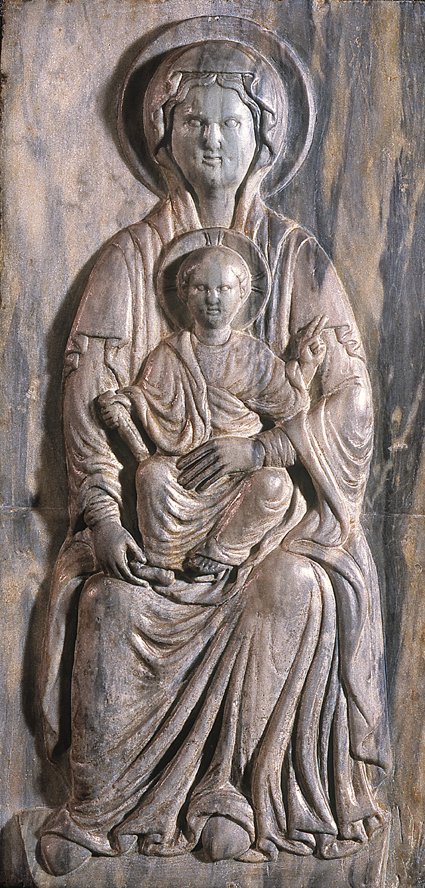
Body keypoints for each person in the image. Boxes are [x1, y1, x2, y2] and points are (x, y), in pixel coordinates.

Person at [39, 33, 391, 876]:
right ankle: (99, 809)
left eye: (229, 122)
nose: (210, 139)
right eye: (192, 122)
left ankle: (234, 792)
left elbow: (349, 401)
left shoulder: (297, 260)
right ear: (161, 137)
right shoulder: (128, 261)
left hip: (271, 524)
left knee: (292, 588)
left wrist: (263, 448)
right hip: (156, 525)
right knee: (111, 606)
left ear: (263, 138)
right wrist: (103, 515)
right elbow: (89, 399)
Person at [99, 242, 326, 578]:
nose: (212, 298)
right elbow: (149, 402)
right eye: (201, 288)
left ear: (242, 294)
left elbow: (292, 411)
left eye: (224, 288)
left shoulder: (253, 356)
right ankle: (161, 561)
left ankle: (222, 549)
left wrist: (304, 369)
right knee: (151, 474)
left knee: (275, 484)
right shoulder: (170, 354)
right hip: (186, 469)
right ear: (184, 294)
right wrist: (126, 406)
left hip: (239, 477)